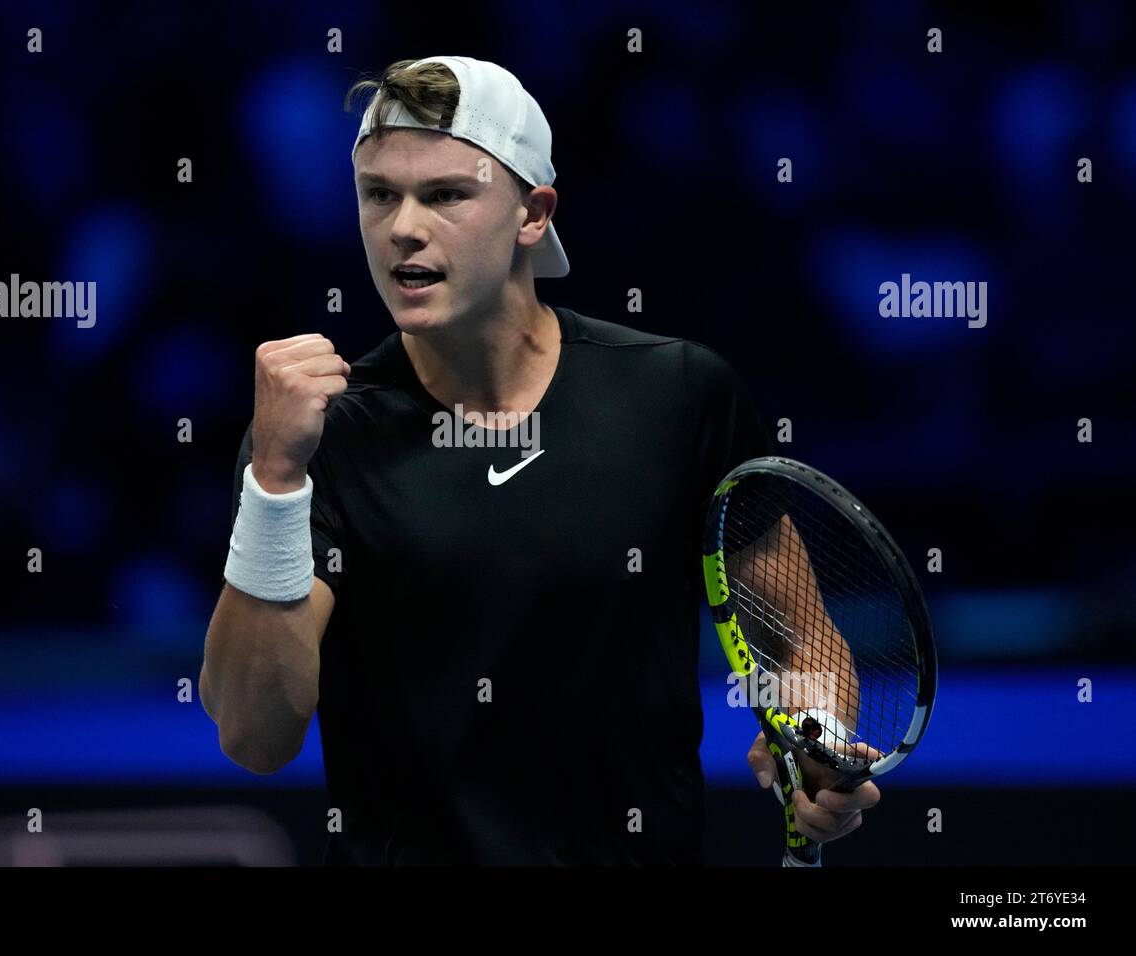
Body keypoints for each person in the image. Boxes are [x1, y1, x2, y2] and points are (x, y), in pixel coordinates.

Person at [199, 55, 879, 864]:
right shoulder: (320, 437)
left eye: (446, 195)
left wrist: (814, 740)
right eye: (379, 194)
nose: (403, 227)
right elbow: (254, 735)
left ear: (532, 212)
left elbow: (802, 641)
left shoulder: (680, 393)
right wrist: (274, 481)